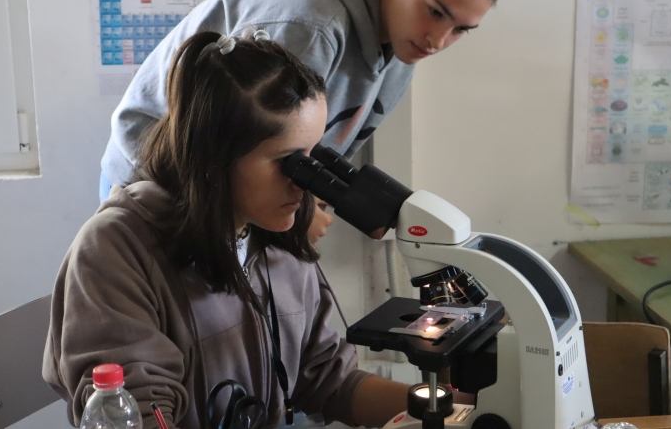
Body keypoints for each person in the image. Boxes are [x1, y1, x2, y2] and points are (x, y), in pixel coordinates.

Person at [45, 31, 466, 429]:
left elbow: (327, 379)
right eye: (287, 161)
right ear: (214, 156)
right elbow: (137, 411)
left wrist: (459, 412)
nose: (303, 183)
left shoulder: (274, 236)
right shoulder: (116, 251)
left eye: (310, 157)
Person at [100, 0, 509, 242]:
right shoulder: (311, 24)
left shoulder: (404, 53)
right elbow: (236, 149)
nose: (438, 41)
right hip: (160, 180)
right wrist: (299, 220)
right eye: (435, 11)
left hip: (236, 200)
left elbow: (310, 157)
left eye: (460, 29)